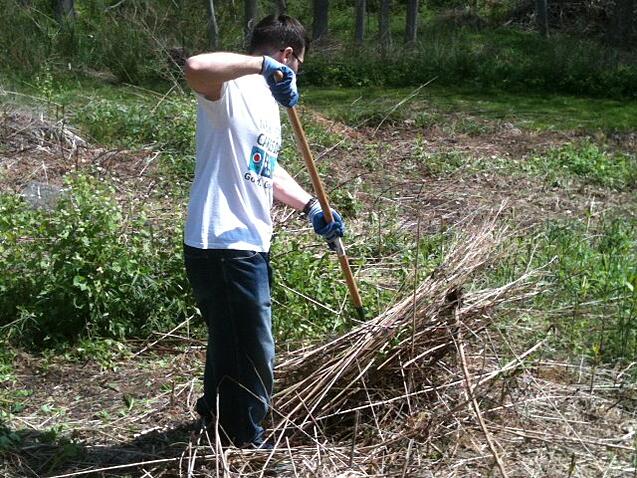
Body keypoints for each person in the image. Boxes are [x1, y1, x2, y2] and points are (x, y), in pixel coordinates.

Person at [182, 15, 345, 448]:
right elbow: (195, 67)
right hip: (222, 241)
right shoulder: (234, 86)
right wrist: (260, 67)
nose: (295, 77)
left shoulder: (267, 105)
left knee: (231, 342)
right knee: (255, 352)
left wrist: (310, 205)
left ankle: (216, 424)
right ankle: (245, 445)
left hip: (247, 241)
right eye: (297, 66)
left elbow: (264, 168)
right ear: (287, 56)